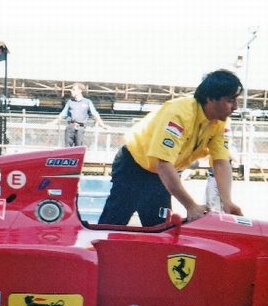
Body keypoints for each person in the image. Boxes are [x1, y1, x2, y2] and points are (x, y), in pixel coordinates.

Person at [98, 69, 243, 226]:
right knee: (112, 224)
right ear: (210, 99)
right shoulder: (179, 113)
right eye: (230, 100)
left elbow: (221, 162)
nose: (236, 106)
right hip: (133, 165)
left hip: (161, 174)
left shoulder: (220, 122)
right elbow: (163, 163)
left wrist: (227, 202)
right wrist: (191, 206)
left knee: (160, 229)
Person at [49, 83, 109, 147]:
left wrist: (102, 125)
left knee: (78, 147)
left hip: (80, 128)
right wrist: (53, 123)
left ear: (80, 91)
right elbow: (63, 114)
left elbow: (95, 114)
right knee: (67, 148)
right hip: (70, 127)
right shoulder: (70, 102)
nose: (71, 91)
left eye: (74, 89)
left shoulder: (87, 102)